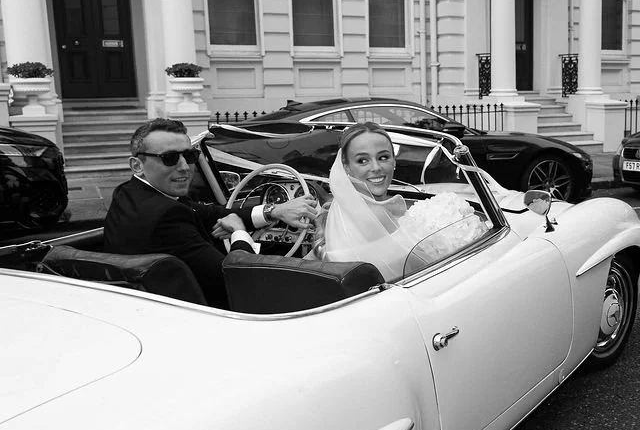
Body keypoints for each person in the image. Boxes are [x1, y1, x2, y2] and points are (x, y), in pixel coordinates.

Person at [103, 118, 318, 308]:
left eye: (189, 156)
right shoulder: (165, 217)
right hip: (212, 310)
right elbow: (239, 278)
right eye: (169, 158)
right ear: (137, 165)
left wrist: (274, 211)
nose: (185, 167)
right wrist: (238, 232)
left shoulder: (130, 193)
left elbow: (206, 212)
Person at [317, 122, 413, 280]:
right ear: (346, 166)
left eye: (383, 157)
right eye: (362, 160)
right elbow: (422, 263)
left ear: (394, 161)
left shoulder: (337, 206)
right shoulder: (376, 215)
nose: (376, 167)